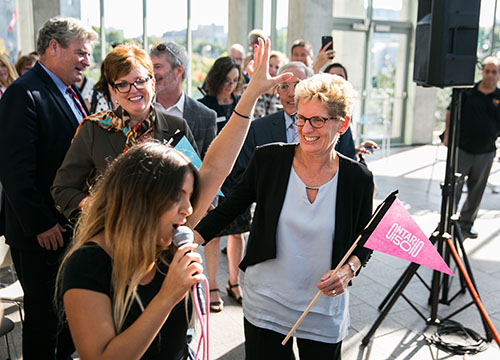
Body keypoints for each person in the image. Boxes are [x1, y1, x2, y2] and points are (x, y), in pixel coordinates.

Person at [56, 38, 291, 360]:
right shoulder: (89, 265)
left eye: (140, 80)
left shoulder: (166, 245)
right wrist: (168, 295)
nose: (191, 209)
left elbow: (214, 168)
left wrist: (249, 95)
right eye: (177, 197)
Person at [195, 73, 374, 359]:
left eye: (318, 120)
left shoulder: (358, 178)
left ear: (343, 124)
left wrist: (347, 270)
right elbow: (230, 209)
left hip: (323, 307)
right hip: (266, 300)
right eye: (302, 118)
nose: (306, 128)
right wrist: (188, 240)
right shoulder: (269, 160)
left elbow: (365, 241)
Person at [0, 17, 97, 359]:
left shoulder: (70, 92)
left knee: (67, 318)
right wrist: (41, 222)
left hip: (68, 229)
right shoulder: (23, 94)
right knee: (44, 321)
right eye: (82, 53)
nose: (88, 61)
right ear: (53, 47)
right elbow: (14, 171)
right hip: (42, 234)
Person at [51, 44, 198, 222]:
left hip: (164, 237)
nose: (133, 90)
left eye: (140, 81)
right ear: (114, 91)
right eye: (123, 84)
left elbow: (197, 185)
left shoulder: (177, 127)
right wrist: (97, 205)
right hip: (109, 236)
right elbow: (62, 189)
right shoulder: (94, 129)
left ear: (152, 83)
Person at [442, 56, 500, 239]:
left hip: (486, 151)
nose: (490, 75)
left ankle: (466, 223)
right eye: (487, 71)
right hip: (462, 148)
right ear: (482, 71)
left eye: (494, 71)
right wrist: (447, 134)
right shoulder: (467, 92)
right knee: (454, 187)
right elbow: (451, 111)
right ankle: (446, 221)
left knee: (477, 190)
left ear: (498, 75)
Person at [151, 42, 217, 158]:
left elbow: (208, 167)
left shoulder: (205, 117)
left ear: (178, 71)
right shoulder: (140, 109)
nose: (152, 73)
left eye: (157, 67)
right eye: (150, 68)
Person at [324, 63, 378, 160]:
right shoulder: (321, 109)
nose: (336, 81)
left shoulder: (345, 108)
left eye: (340, 77)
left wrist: (357, 149)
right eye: (332, 76)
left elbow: (343, 148)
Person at [199, 56, 243, 133]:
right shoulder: (202, 106)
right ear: (217, 78)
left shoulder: (241, 103)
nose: (231, 85)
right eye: (227, 80)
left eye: (235, 80)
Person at [253, 50, 286, 119]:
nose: (273, 70)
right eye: (270, 65)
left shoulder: (285, 93)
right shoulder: (254, 88)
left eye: (277, 67)